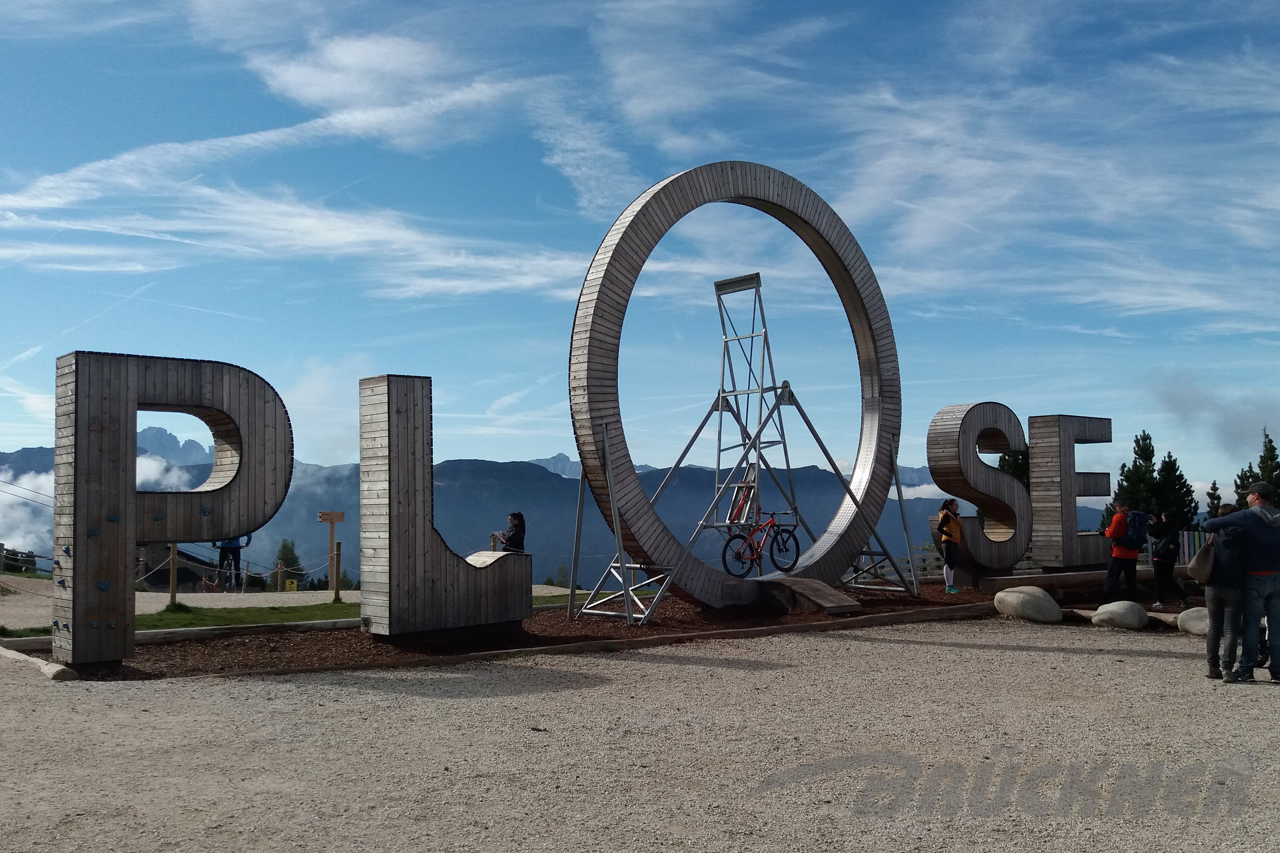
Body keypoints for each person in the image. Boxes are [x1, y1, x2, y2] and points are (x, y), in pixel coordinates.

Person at [1205, 482, 1280, 683]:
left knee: (1251, 625)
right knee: (1276, 626)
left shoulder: (1248, 516)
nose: (1246, 499)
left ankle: (1247, 669)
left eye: (1248, 495)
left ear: (1256, 496)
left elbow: (1209, 524)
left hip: (1255, 575)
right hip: (1277, 576)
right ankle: (1277, 671)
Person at [1204, 505, 1247, 681]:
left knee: (1214, 626)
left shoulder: (1215, 532)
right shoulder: (1244, 535)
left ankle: (1212, 667)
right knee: (1231, 629)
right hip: (1235, 585)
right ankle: (1227, 668)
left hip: (1213, 584)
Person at [1101, 498, 1145, 604]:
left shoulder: (1118, 517)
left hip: (1119, 554)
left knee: (1112, 579)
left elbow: (1111, 534)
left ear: (1117, 506)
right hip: (1133, 554)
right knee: (1131, 581)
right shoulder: (1136, 517)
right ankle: (1133, 603)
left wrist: (1105, 532)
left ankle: (1104, 603)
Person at [1149, 511, 1189, 610]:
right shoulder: (1174, 527)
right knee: (1169, 578)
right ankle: (1183, 597)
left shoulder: (1164, 525)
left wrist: (1149, 524)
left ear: (1165, 517)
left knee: (1158, 579)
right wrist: (1156, 523)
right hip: (1170, 557)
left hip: (1160, 555)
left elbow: (1152, 533)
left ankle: (1160, 601)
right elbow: (1160, 533)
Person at [936, 499, 962, 594]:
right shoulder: (947, 516)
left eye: (957, 505)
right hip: (947, 541)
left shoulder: (956, 516)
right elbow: (939, 528)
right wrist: (949, 535)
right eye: (955, 505)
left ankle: (951, 585)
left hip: (954, 541)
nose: (957, 507)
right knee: (948, 562)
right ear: (950, 506)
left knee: (952, 563)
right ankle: (948, 586)